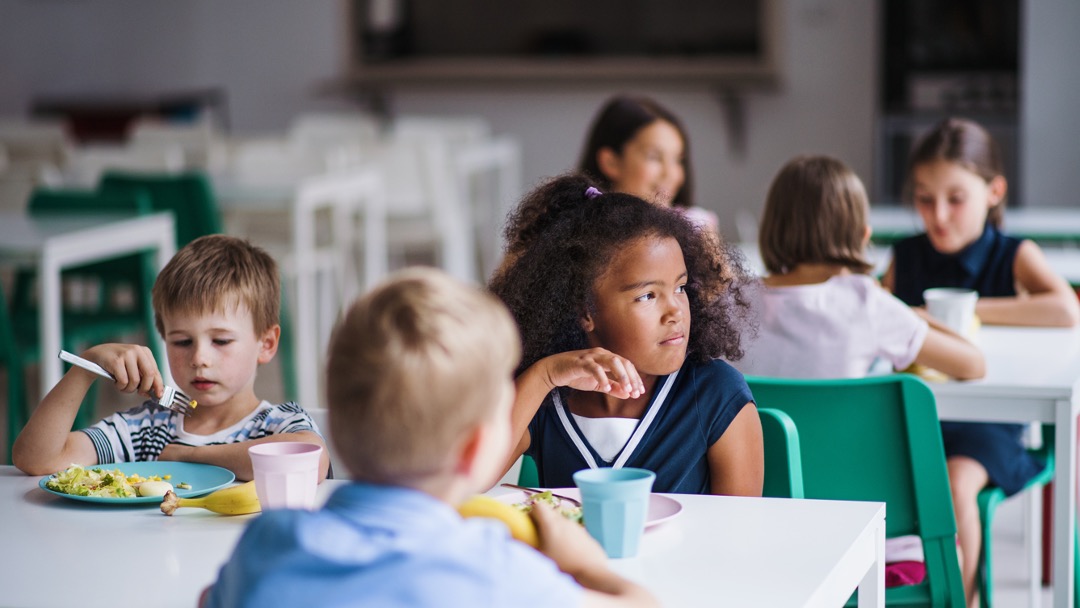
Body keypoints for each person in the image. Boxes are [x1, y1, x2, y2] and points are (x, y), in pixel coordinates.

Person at [201, 268, 657, 608]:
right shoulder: (498, 574)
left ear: (334, 426)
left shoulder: (268, 544)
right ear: (479, 447)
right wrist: (583, 565)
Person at [883, 117, 1080, 606]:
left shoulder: (1012, 254)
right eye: (925, 199)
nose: (939, 215)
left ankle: (959, 598)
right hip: (914, 418)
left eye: (955, 198)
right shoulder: (905, 257)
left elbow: (1065, 308)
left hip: (988, 423)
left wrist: (961, 310)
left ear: (993, 192)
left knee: (952, 485)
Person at [489, 173, 763, 496]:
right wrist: (544, 375)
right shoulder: (547, 398)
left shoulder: (716, 393)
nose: (675, 311)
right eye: (647, 295)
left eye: (680, 287)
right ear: (585, 311)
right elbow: (472, 478)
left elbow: (740, 533)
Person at [12, 235, 330, 482]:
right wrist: (85, 369)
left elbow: (310, 460)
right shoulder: (148, 428)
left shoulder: (278, 424)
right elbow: (37, 460)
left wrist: (188, 457)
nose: (199, 357)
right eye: (182, 341)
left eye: (220, 340)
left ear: (266, 343)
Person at [734, 155, 985, 381]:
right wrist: (913, 313)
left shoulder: (732, 301)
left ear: (771, 229)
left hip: (757, 434)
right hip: (836, 434)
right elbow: (973, 364)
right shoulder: (867, 302)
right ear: (863, 236)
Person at [578, 94, 719, 233]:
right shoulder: (581, 233)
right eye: (654, 157)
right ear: (611, 162)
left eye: (677, 159)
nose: (670, 174)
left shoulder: (697, 227)